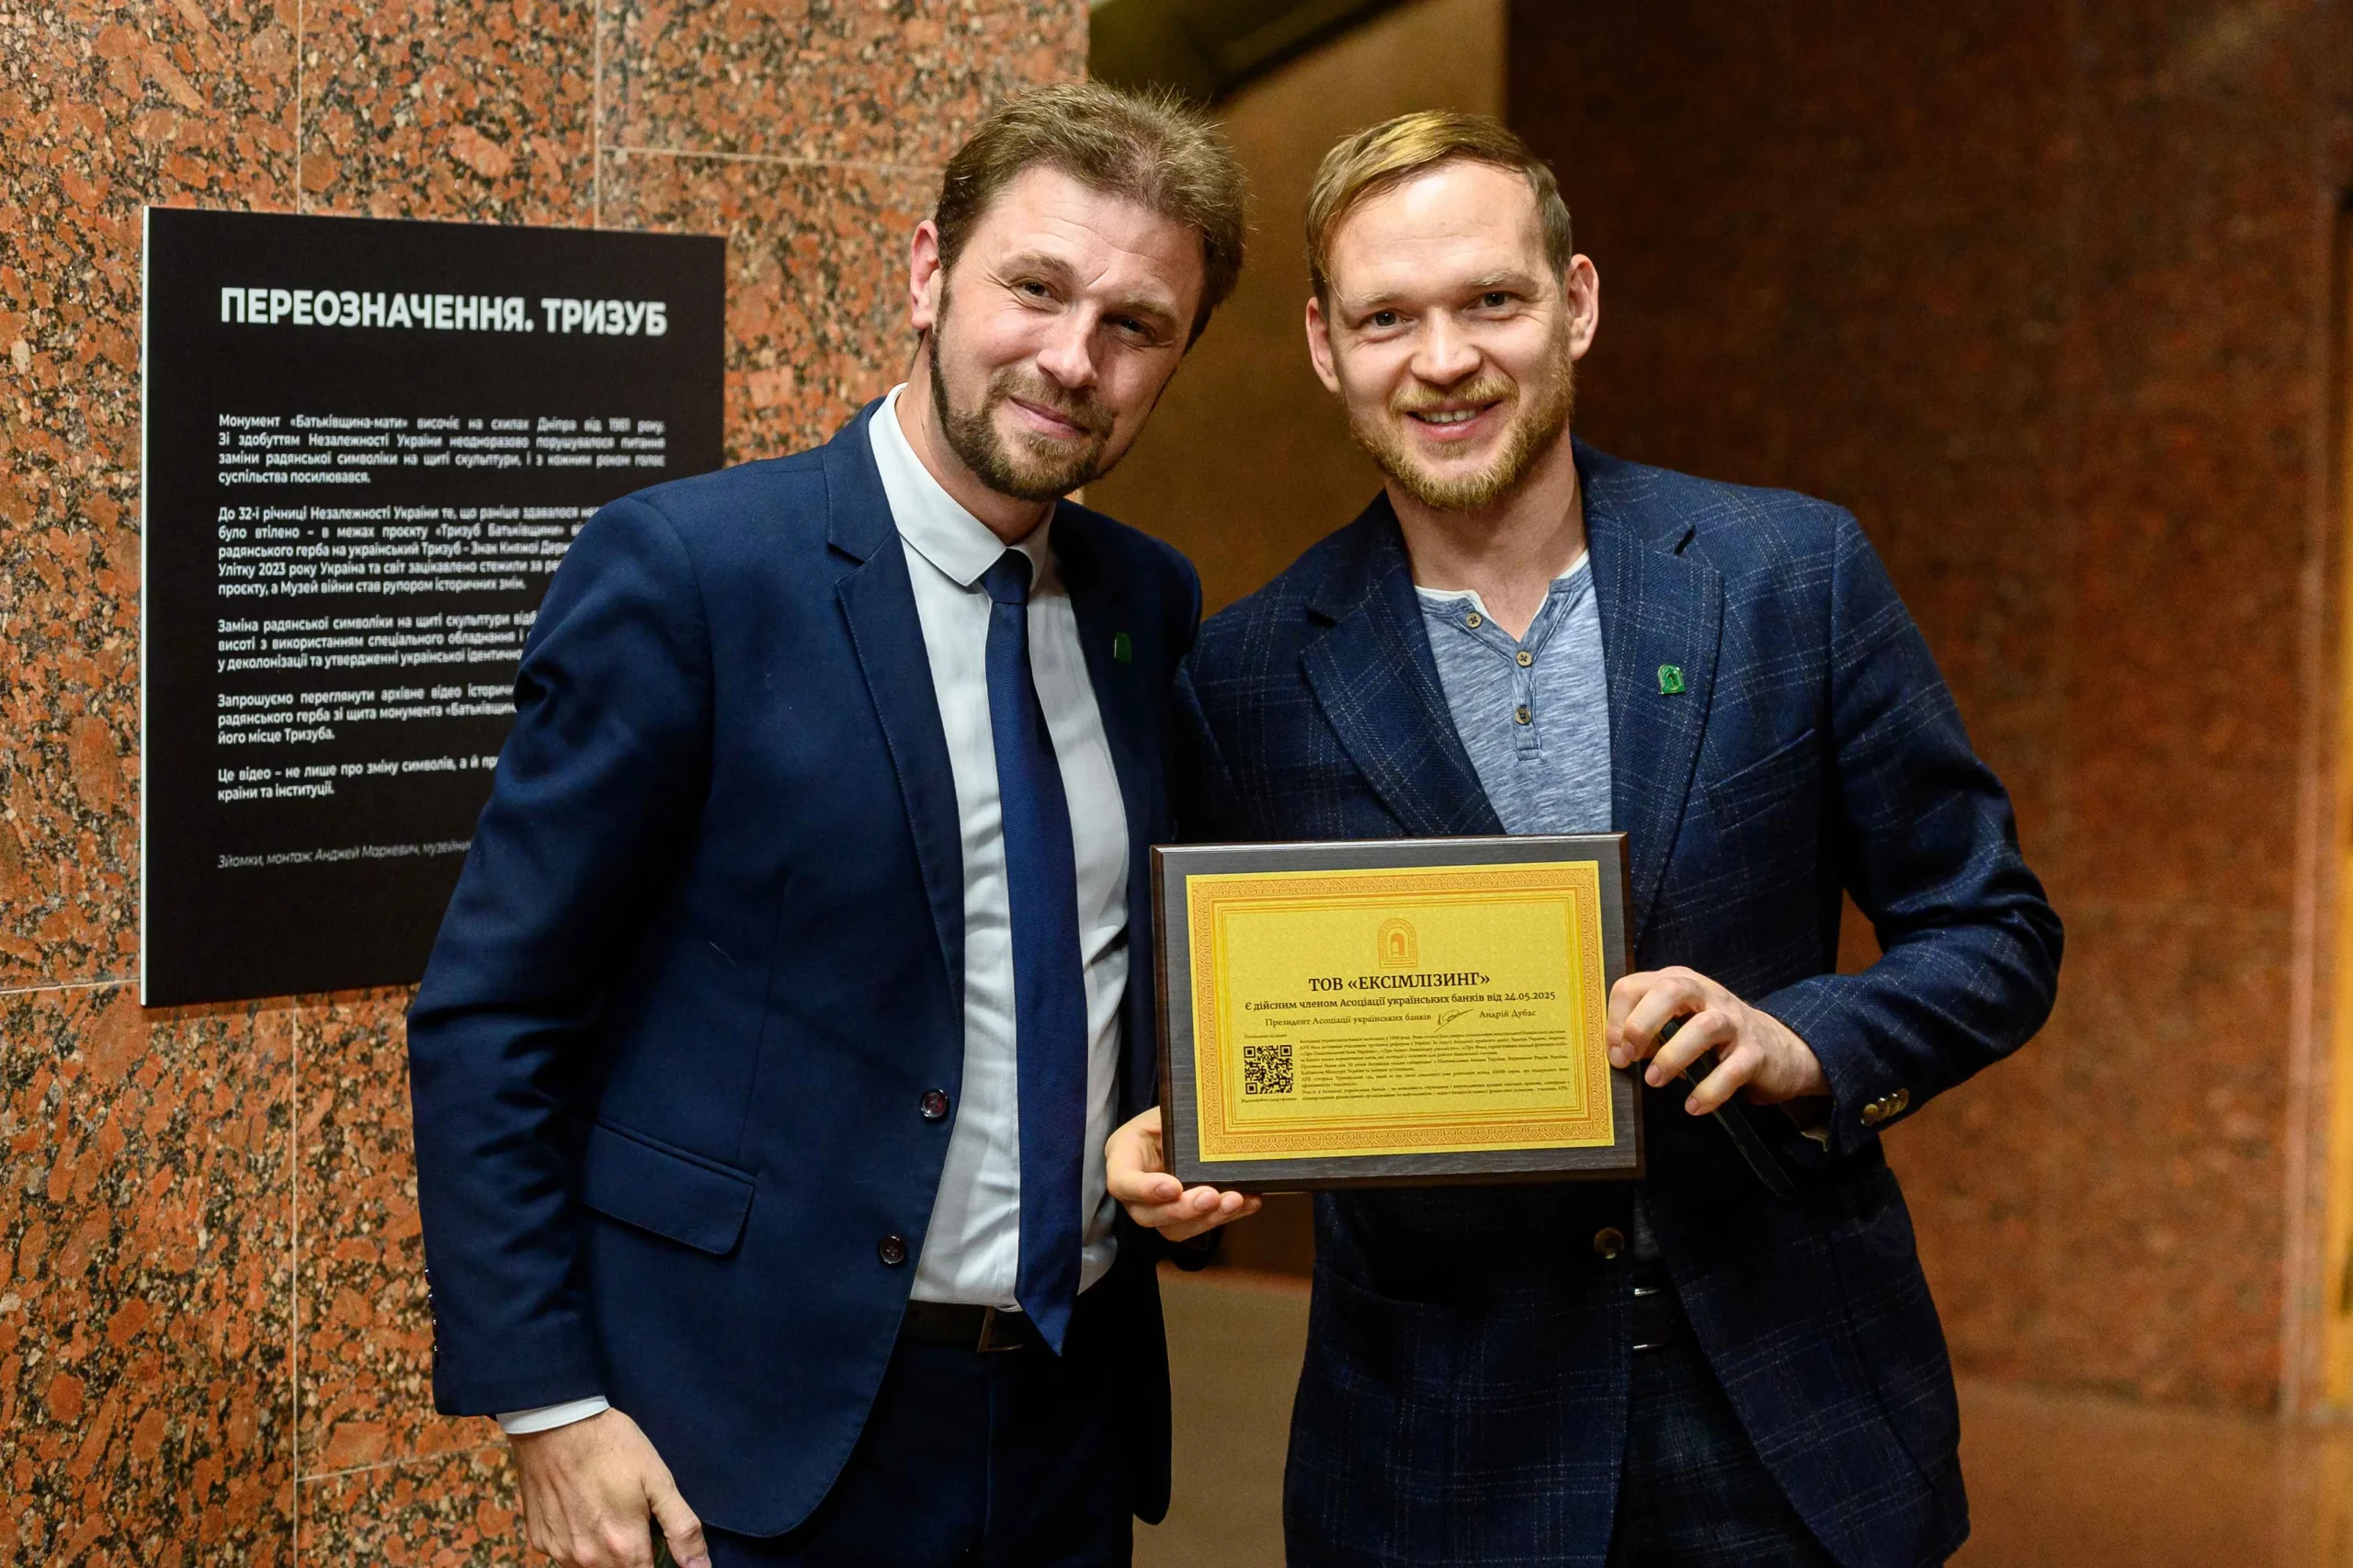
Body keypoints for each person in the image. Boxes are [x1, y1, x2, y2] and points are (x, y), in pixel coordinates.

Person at [1108, 111, 2063, 1567]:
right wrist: (1168, 1148)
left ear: (1577, 302)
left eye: (1491, 299)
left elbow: (1995, 929)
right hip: (1442, 1447)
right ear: (1324, 345)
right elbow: (1202, 1054)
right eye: (1387, 318)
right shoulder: (1244, 678)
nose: (1443, 359)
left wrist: (1803, 1042)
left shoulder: (1788, 576)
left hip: (1787, 1412)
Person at [406, 82, 1255, 1568]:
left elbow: (1110, 964)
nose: (1075, 358)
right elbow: (496, 1010)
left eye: (1136, 325)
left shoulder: (1147, 602)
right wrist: (549, 1401)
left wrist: (1186, 1133)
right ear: (929, 273)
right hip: (750, 1435)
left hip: (1068, 1424)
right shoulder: (691, 575)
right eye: (1035, 288)